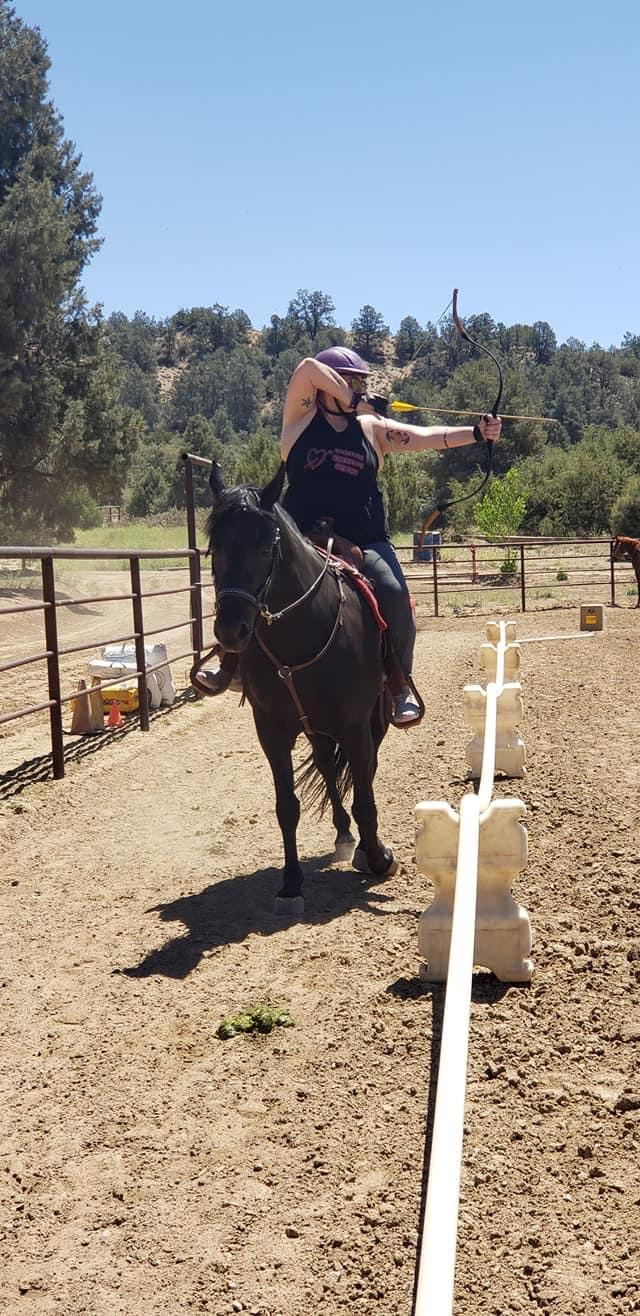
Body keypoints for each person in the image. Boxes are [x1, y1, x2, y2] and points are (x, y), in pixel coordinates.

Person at [280, 346, 502, 725]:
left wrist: (478, 433)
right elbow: (307, 368)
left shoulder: (370, 429)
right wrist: (356, 399)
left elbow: (425, 436)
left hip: (364, 540)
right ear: (327, 386)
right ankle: (232, 659)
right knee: (253, 572)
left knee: (395, 593)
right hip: (302, 537)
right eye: (350, 381)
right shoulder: (299, 419)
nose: (359, 388)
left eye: (361, 382)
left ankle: (400, 682)